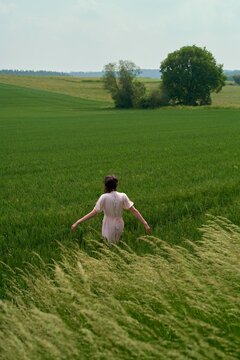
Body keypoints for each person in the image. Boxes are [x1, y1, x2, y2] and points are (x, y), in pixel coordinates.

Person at [71, 175, 151, 243]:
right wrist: (145, 224)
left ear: (106, 186)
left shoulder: (104, 197)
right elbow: (134, 210)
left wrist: (77, 222)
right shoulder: (123, 196)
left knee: (108, 246)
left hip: (108, 225)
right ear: (116, 185)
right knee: (117, 244)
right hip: (120, 224)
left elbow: (93, 213)